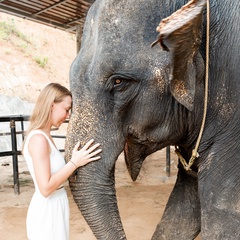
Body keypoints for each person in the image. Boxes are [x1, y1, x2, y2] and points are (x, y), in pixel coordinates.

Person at [22, 82, 102, 240]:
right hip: (48, 211)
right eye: (66, 110)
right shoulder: (39, 139)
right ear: (52, 105)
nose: (68, 116)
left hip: (56, 205)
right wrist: (74, 163)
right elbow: (45, 188)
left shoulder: (45, 136)